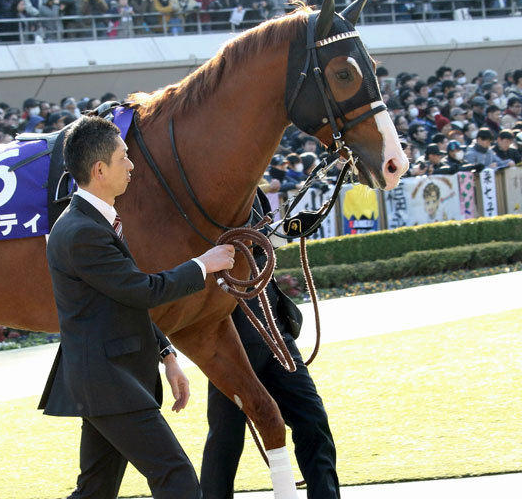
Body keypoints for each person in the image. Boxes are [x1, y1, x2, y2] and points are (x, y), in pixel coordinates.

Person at [38, 115, 235, 499]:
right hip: (109, 381)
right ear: (99, 170)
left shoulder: (90, 223)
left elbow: (121, 301)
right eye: (123, 157)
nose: (131, 165)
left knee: (94, 491)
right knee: (176, 478)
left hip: (104, 379)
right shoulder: (82, 232)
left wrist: (166, 354)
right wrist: (202, 265)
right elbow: (141, 291)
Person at [202, 188, 339, 499]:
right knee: (226, 438)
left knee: (312, 418)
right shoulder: (201, 190)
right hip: (227, 336)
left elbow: (260, 245)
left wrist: (286, 232)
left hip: (273, 328)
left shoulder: (254, 192)